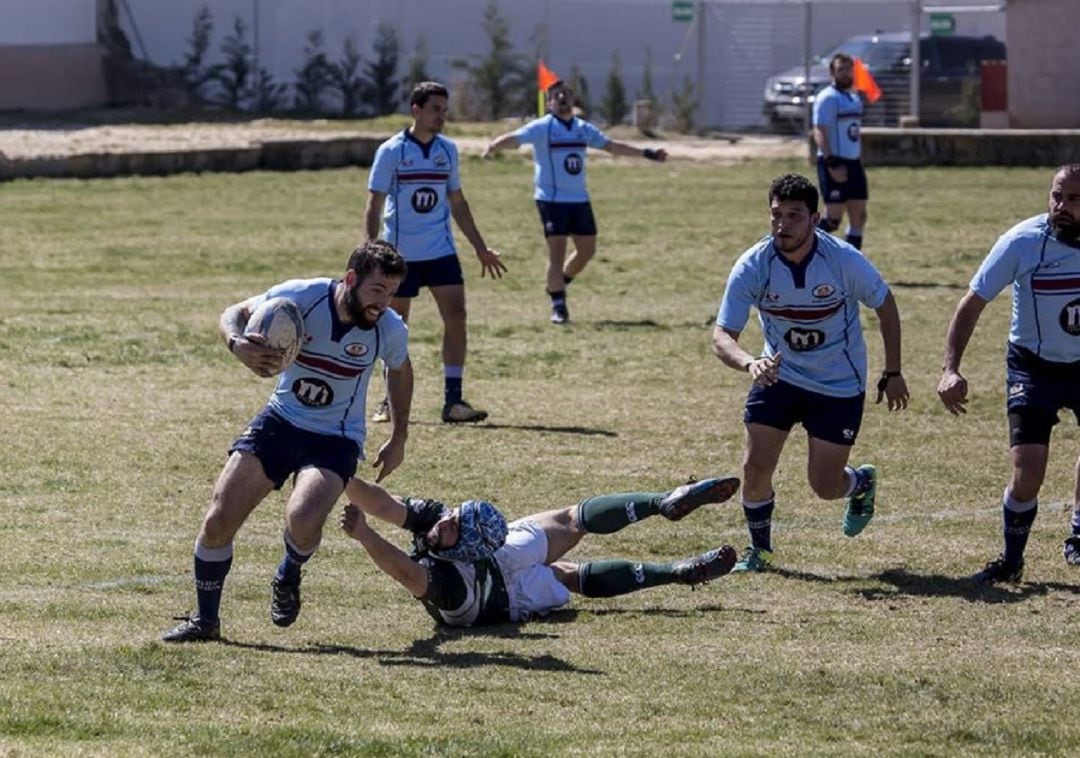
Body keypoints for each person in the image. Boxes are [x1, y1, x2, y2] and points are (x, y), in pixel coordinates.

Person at [162, 240, 413, 642]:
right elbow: (234, 313)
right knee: (217, 520)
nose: (384, 302)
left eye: (391, 293)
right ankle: (206, 622)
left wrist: (399, 435)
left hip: (336, 438)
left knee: (302, 519)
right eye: (377, 290)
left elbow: (399, 370)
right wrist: (237, 343)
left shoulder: (388, 329)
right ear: (350, 279)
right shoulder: (302, 297)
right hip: (281, 421)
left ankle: (289, 571)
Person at [712, 173, 908, 572]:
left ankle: (860, 483)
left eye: (794, 216)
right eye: (776, 215)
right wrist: (751, 362)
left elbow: (885, 306)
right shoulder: (754, 264)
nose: (782, 225)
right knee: (754, 467)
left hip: (838, 384)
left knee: (824, 485)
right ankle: (760, 551)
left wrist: (893, 371)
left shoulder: (843, 261)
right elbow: (721, 335)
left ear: (815, 219)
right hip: (779, 377)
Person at [339, 475, 741, 627]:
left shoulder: (451, 584)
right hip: (496, 556)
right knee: (570, 524)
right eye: (450, 516)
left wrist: (365, 536)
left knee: (565, 574)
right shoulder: (441, 522)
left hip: (497, 599)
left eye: (453, 524)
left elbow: (407, 574)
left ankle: (673, 568)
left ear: (466, 547)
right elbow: (381, 501)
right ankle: (661, 509)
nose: (443, 522)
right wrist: (337, 473)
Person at [938, 164, 1080, 582]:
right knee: (1027, 472)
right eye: (1057, 196)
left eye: (1073, 199)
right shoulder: (1022, 242)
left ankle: (1078, 535)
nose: (1062, 207)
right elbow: (972, 302)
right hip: (1034, 367)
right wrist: (950, 369)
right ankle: (1012, 561)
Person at [365, 81, 506, 425]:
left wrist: (479, 247)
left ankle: (454, 401)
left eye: (444, 110)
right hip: (400, 257)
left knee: (457, 317)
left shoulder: (448, 150)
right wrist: (371, 251)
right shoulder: (391, 151)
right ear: (416, 110)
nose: (442, 116)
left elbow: (457, 201)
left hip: (441, 252)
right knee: (396, 328)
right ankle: (388, 401)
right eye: (435, 109)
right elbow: (374, 203)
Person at [483, 79, 667, 324]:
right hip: (551, 199)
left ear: (573, 100)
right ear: (549, 103)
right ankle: (558, 305)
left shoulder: (582, 128)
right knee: (557, 252)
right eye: (556, 96)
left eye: (566, 95)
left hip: (579, 198)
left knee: (587, 250)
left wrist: (647, 153)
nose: (561, 99)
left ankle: (558, 283)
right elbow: (515, 138)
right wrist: (493, 146)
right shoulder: (542, 128)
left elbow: (611, 146)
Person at [812, 53, 868, 250]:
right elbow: (820, 130)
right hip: (835, 162)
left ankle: (852, 264)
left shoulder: (853, 97)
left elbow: (852, 131)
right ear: (832, 73)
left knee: (859, 215)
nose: (845, 73)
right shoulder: (827, 98)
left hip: (853, 162)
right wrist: (831, 162)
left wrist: (858, 157)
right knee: (832, 220)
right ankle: (799, 246)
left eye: (848, 69)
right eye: (840, 69)